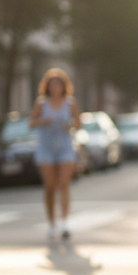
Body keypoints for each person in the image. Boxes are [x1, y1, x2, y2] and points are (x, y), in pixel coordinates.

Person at [29, 68, 81, 239]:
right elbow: (31, 124)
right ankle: (52, 223)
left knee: (64, 185)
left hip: (65, 147)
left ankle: (65, 222)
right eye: (52, 85)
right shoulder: (41, 103)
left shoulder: (71, 103)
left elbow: (79, 125)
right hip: (46, 149)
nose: (55, 88)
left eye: (59, 84)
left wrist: (70, 125)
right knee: (50, 187)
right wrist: (42, 121)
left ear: (64, 86)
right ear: (48, 87)